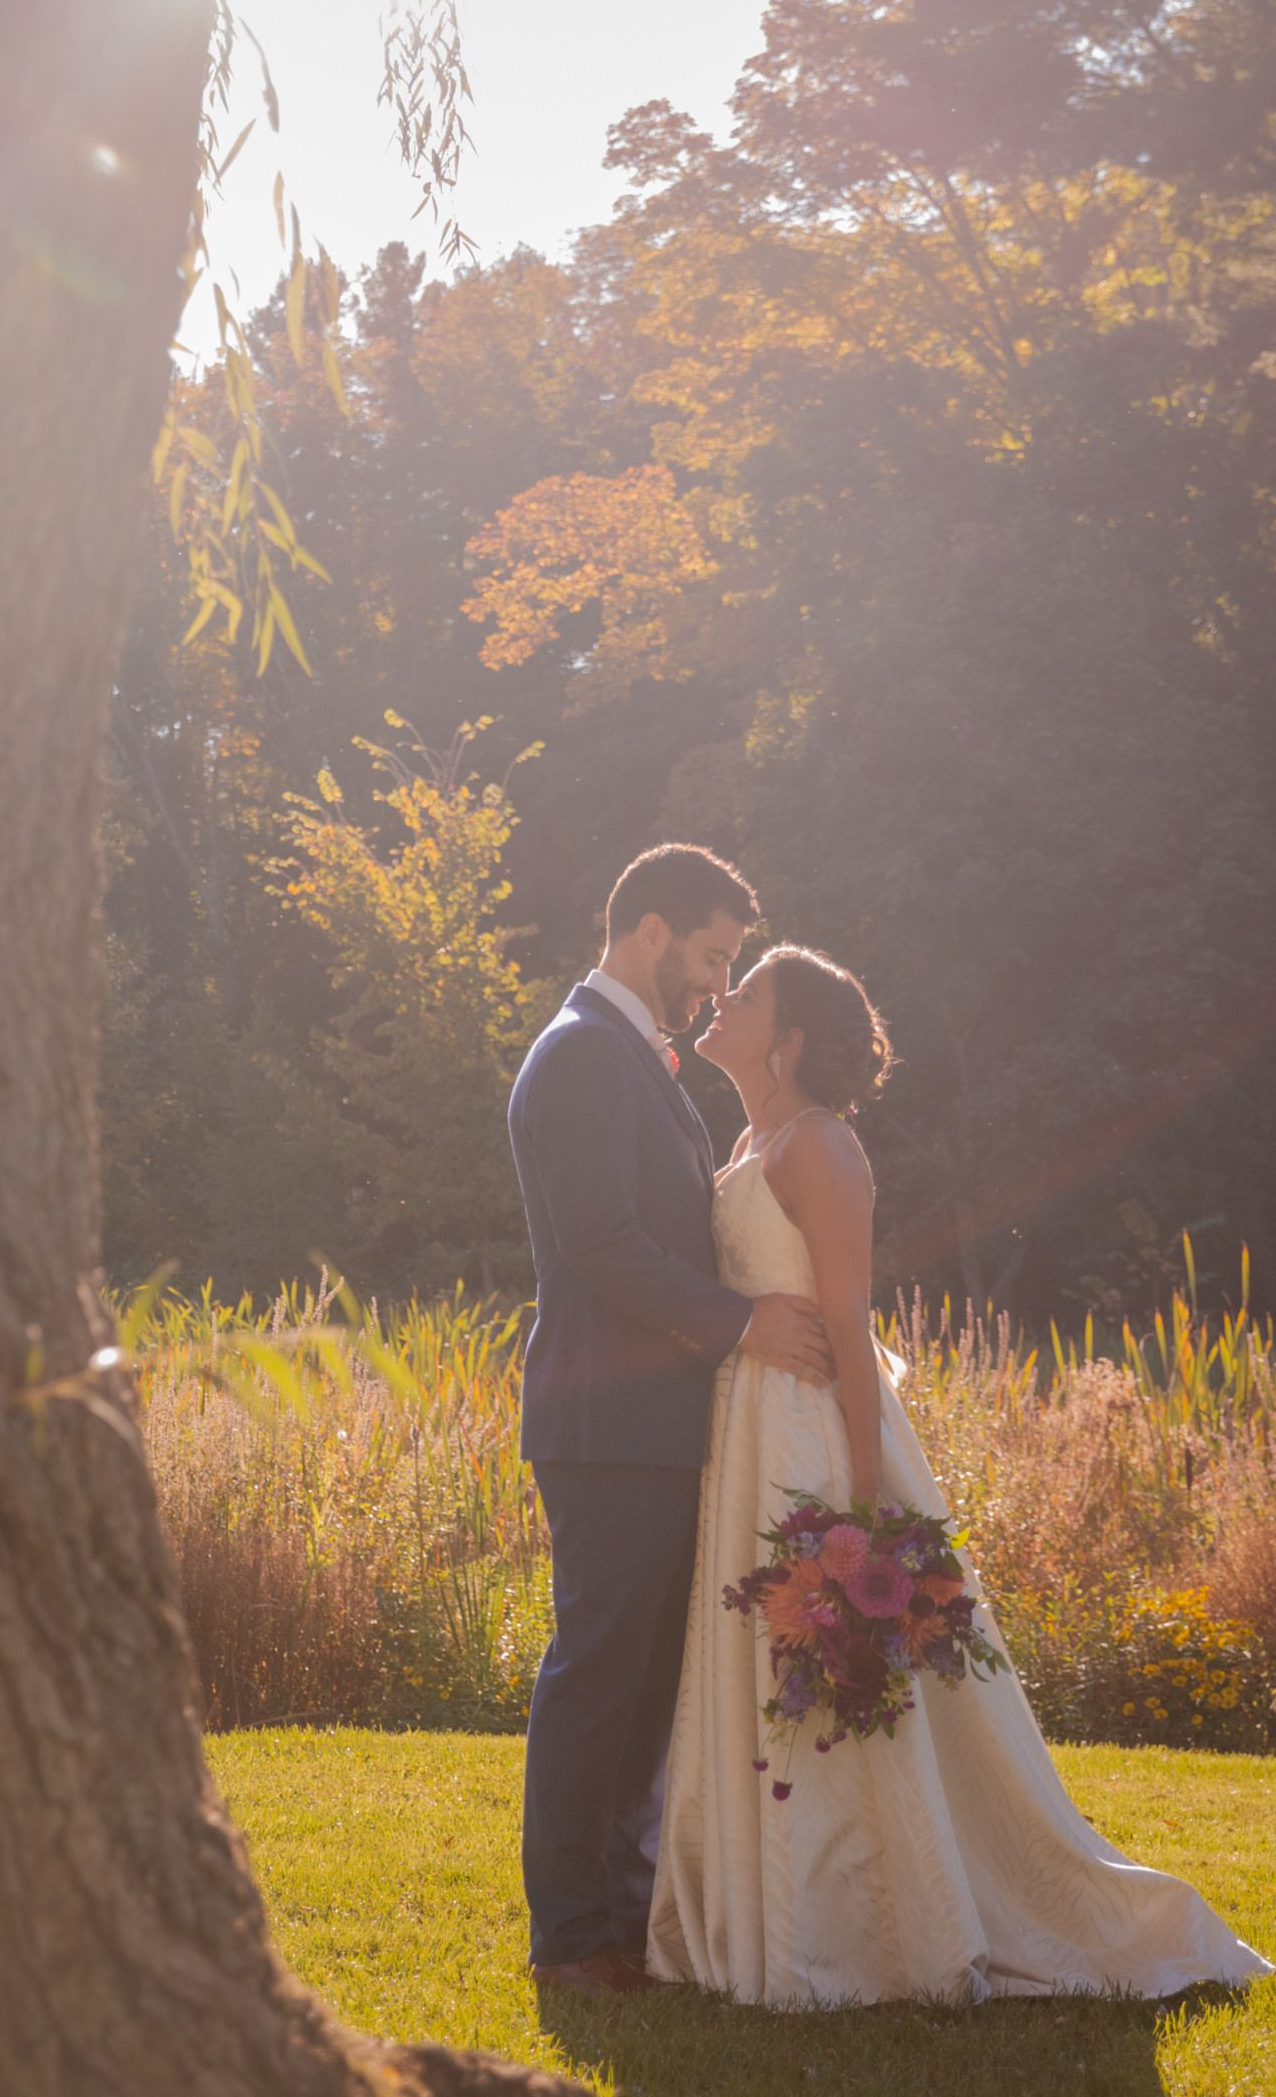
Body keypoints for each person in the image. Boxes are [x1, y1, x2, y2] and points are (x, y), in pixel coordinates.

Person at [647, 941, 1273, 2006]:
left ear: (788, 1036)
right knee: (758, 1664)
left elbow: (846, 1321)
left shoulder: (821, 1149)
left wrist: (858, 1504)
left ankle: (852, 1926)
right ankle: (761, 1915)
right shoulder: (748, 1139)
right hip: (744, 1427)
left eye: (743, 993)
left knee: (832, 1663)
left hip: (808, 1434)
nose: (719, 998)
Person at [509, 846, 836, 1995]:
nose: (714, 983)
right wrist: (742, 1324)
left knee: (641, 1682)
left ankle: (616, 1917)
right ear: (647, 931)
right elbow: (602, 1245)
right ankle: (567, 1939)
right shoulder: (583, 1057)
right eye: (710, 957)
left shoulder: (629, 1059)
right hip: (605, 1419)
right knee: (598, 1673)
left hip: (654, 1419)